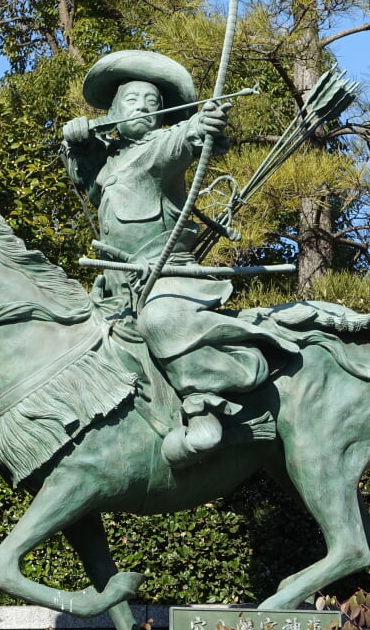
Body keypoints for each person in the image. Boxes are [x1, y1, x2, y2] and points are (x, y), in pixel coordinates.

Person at [61, 50, 293, 467]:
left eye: (153, 104)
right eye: (132, 101)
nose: (144, 109)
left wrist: (203, 124)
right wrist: (76, 141)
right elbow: (87, 182)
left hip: (165, 273)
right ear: (111, 111)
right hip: (118, 285)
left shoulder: (160, 146)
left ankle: (202, 409)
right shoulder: (113, 161)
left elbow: (187, 137)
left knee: (161, 321)